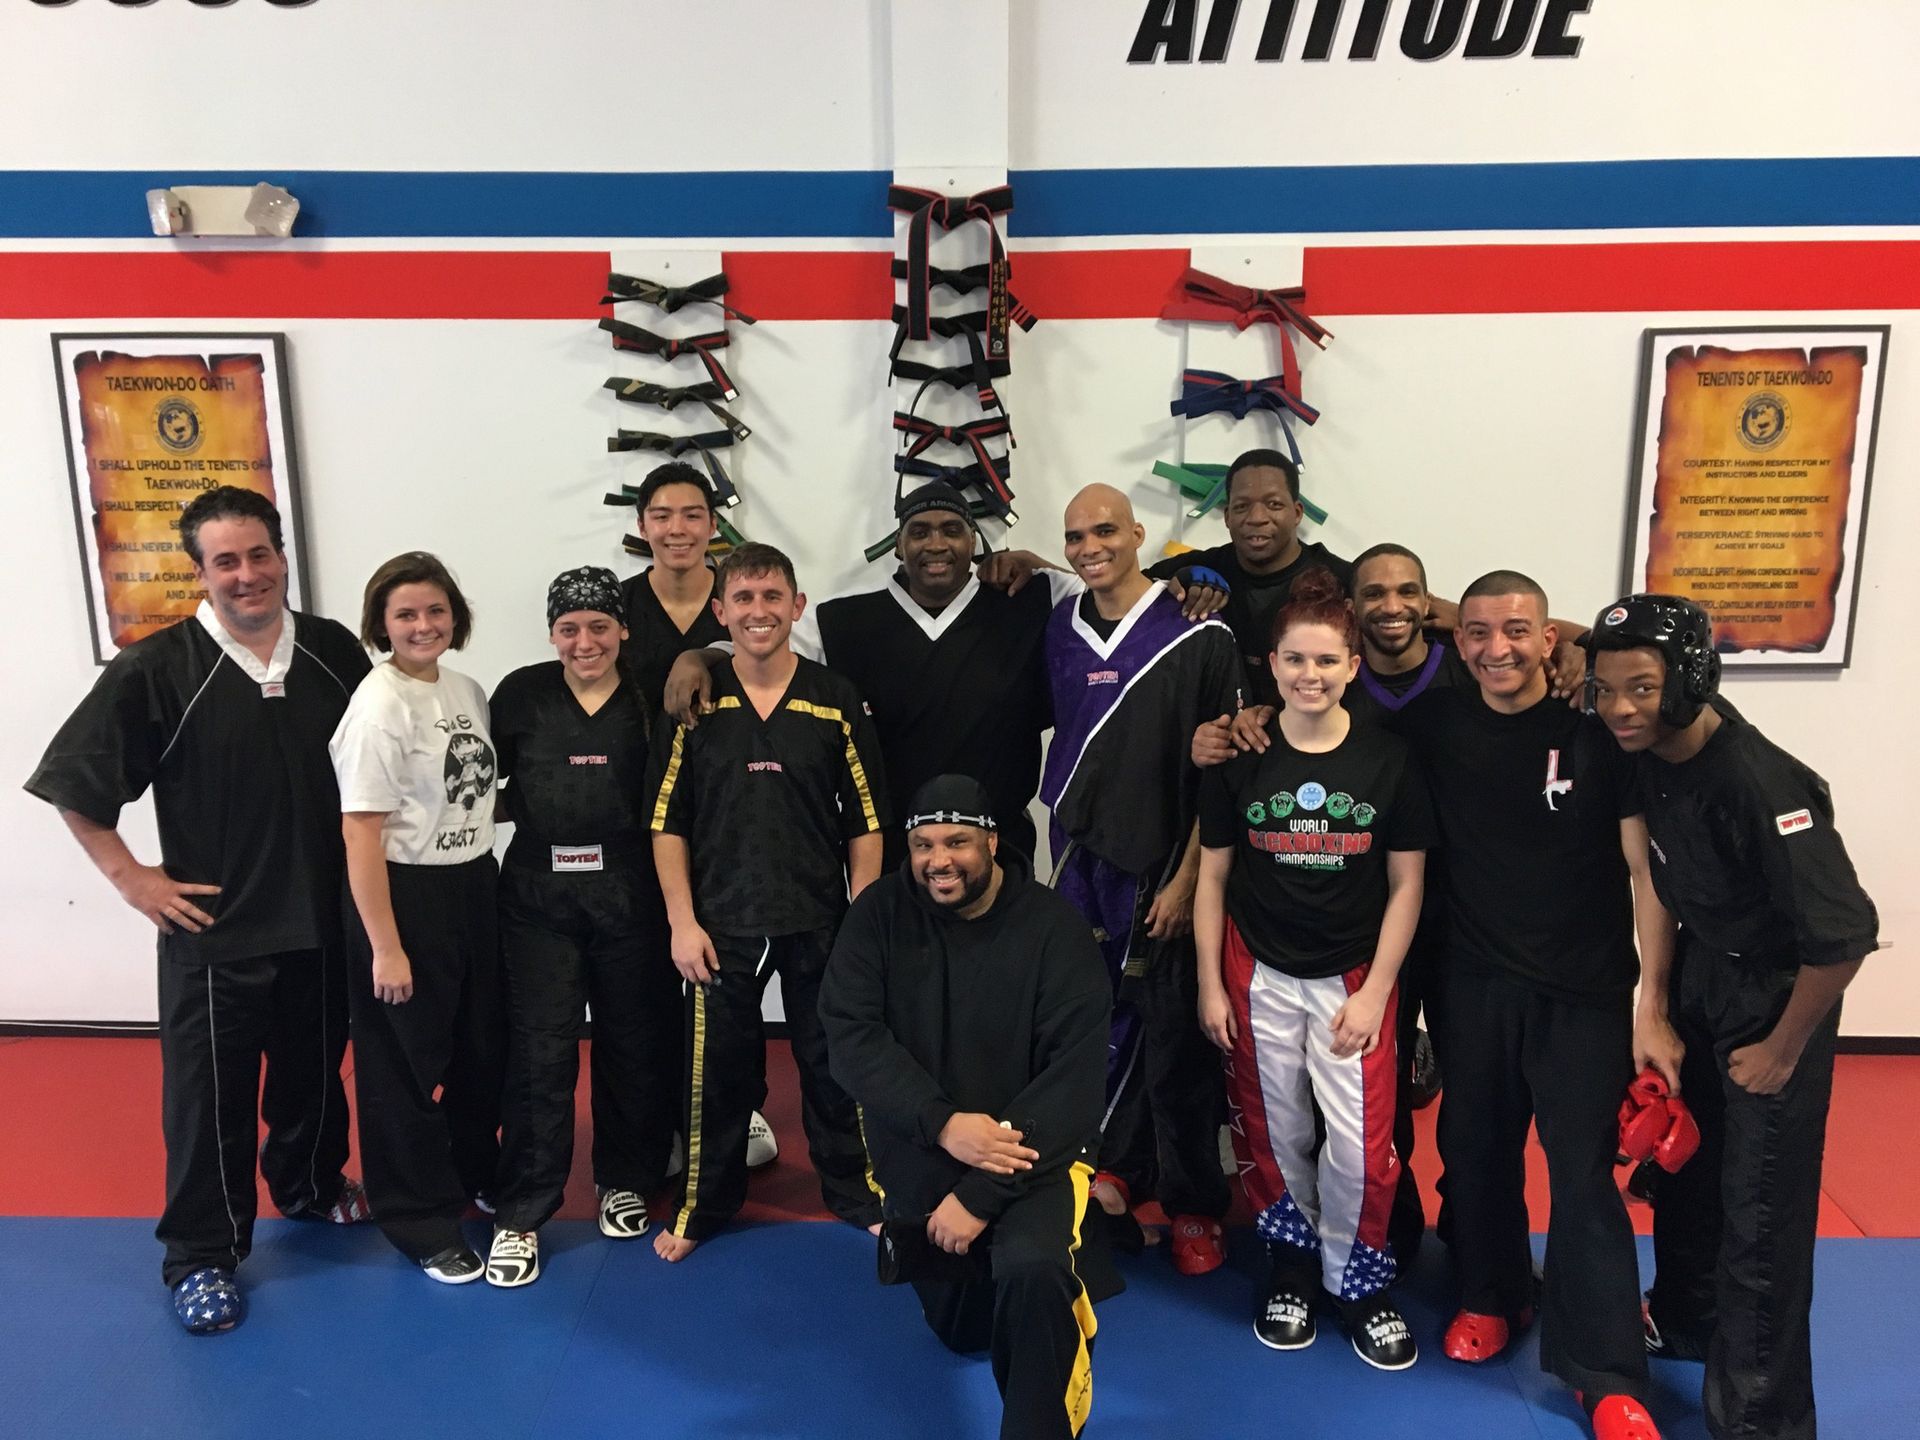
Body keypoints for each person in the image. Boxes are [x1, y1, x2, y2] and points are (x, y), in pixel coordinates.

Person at [25, 485, 372, 1333]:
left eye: (259, 555)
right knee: (206, 1102)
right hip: (215, 933)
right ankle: (202, 1256)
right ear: (200, 573)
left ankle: (311, 1185)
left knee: (313, 1081)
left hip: (325, 922)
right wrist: (130, 877)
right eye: (226, 561)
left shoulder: (332, 653)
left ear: (283, 556)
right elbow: (75, 784)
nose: (246, 575)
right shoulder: (158, 668)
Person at [1587, 595, 1878, 1440]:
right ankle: (1683, 1318)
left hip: (1778, 996)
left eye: (1641, 688)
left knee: (1760, 1217)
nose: (1621, 707)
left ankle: (1762, 1420)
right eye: (1606, 691)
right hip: (1705, 977)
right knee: (1685, 1169)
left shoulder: (1760, 781)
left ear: (1689, 682)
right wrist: (1656, 1005)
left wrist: (1782, 1052)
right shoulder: (1644, 742)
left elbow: (1843, 937)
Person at [1401, 570, 1668, 1440]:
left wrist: (1651, 1005)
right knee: (1474, 1150)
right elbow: (1321, 731)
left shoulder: (1595, 736)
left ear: (1550, 636)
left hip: (1584, 993)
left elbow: (1645, 875)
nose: (1496, 649)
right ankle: (1494, 1294)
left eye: (1517, 630)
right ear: (1457, 641)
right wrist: (1239, 728)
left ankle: (1605, 1372)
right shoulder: (1431, 725)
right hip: (1472, 983)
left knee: (1584, 1176)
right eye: (1476, 632)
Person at [1194, 542, 1472, 1263]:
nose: (1309, 675)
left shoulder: (1389, 760)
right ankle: (1289, 1267)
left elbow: (1407, 883)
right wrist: (1209, 986)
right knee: (1271, 1128)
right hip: (1256, 972)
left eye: (1325, 661)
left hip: (1352, 974)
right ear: (1273, 665)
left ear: (1353, 667)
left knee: (1358, 1139)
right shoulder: (1238, 754)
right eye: (1294, 660)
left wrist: (1380, 991)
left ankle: (1357, 1272)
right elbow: (1213, 877)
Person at [821, 775, 1111, 1440]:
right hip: (927, 1146)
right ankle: (1066, 1258)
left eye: (956, 842)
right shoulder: (879, 916)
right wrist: (944, 1126)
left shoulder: (1054, 931)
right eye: (923, 844)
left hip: (1034, 1151)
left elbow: (1073, 1085)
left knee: (1034, 1273)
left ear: (991, 840)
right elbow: (850, 1036)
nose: (938, 860)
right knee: (962, 1330)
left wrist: (982, 1194)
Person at [647, 541, 889, 1260]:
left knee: (834, 1064)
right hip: (720, 925)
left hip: (820, 918)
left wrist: (864, 920)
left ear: (796, 606)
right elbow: (667, 821)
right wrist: (681, 922)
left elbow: (867, 822)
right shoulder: (695, 699)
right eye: (743, 599)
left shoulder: (833, 698)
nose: (759, 612)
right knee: (713, 1075)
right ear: (720, 611)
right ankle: (702, 1206)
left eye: (772, 597)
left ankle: (856, 1193)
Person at [666, 478, 1072, 871]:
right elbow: (760, 648)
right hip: (892, 852)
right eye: (919, 532)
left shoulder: (1026, 603)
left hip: (1001, 844)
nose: (936, 544)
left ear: (974, 543)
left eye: (952, 530)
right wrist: (697, 658)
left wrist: (1035, 561)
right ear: (898, 546)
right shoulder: (843, 622)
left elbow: (1108, 594)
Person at [1042, 483, 1242, 1275]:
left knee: (1177, 1037)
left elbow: (1222, 772)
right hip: (1073, 855)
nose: (1089, 548)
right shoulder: (1058, 624)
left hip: (1165, 865)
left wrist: (1189, 878)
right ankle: (1112, 1170)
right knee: (1088, 1023)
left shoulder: (1200, 628)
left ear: (1137, 533)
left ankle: (1195, 1204)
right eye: (1074, 537)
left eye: (1104, 531)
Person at [481, 568, 681, 1287]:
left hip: (629, 889)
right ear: (551, 634)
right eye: (570, 628)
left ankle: (623, 1176)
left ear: (623, 629)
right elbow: (480, 787)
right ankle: (522, 1212)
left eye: (599, 626)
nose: (585, 641)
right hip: (537, 893)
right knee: (541, 1052)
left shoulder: (650, 695)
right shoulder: (520, 694)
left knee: (633, 1039)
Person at [331, 552, 504, 1284]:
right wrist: (386, 947)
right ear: (381, 624)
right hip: (404, 893)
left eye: (435, 611)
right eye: (405, 614)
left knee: (480, 1047)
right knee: (404, 1067)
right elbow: (360, 833)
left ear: (455, 618)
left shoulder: (466, 689)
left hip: (473, 885)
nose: (422, 625)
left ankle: (472, 1172)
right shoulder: (379, 706)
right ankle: (418, 1219)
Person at [625, 460, 778, 1170]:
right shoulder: (621, 607)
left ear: (714, 526)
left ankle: (737, 1109)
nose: (677, 529)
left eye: (692, 515)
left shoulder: (741, 601)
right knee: (654, 987)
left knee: (726, 987)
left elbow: (767, 661)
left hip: (725, 824)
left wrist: (703, 649)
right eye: (662, 515)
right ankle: (661, 1126)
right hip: (637, 818)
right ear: (641, 526)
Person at [1145, 449, 1353, 705]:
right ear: (1227, 517)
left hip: (1311, 733)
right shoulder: (1205, 568)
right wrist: (1172, 584)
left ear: (1297, 513)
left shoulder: (1342, 579)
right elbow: (1129, 588)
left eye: (1274, 504)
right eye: (1242, 506)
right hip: (1220, 734)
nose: (1256, 518)